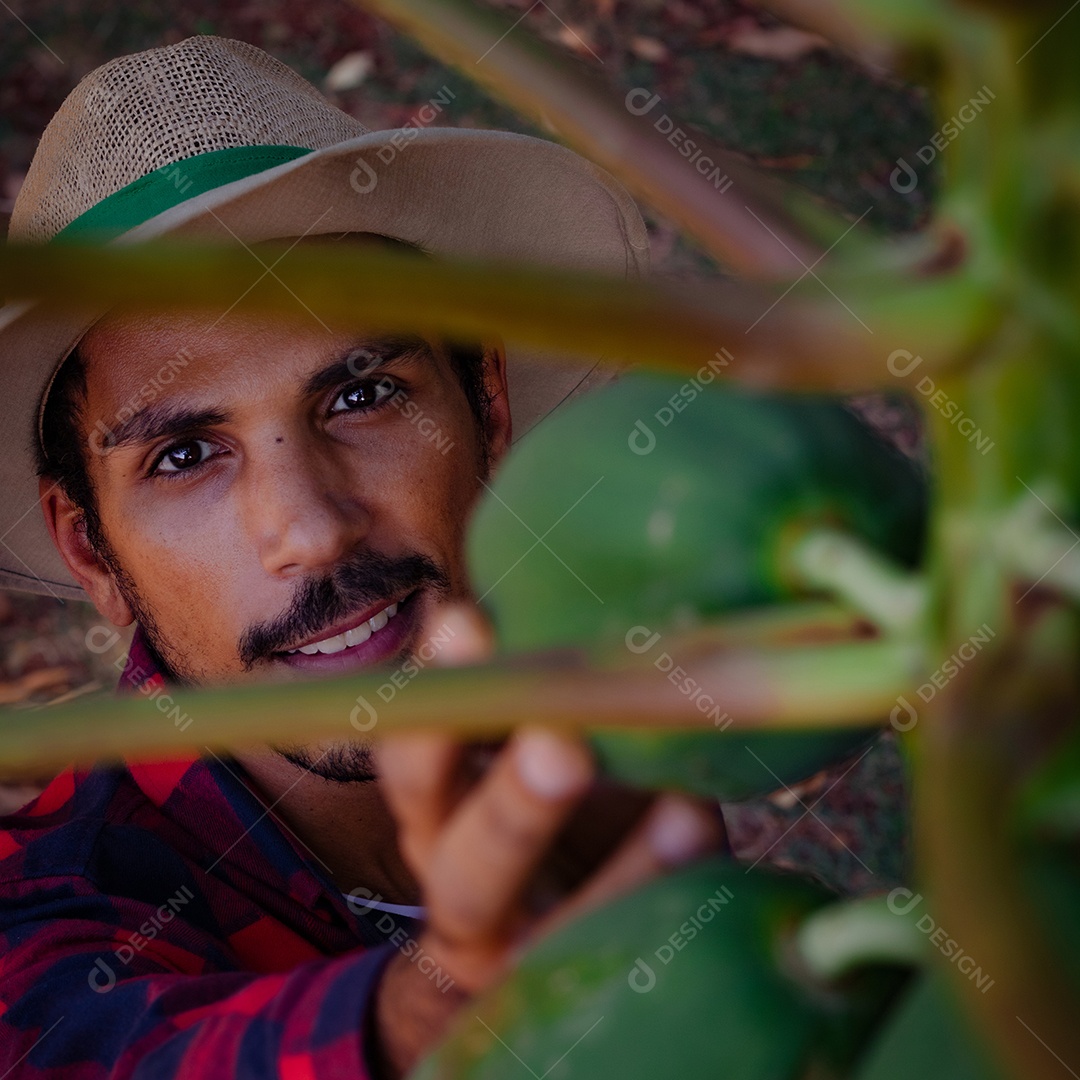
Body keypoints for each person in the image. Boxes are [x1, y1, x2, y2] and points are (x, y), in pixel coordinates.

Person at [0, 36, 725, 1078]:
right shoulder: (54, 885)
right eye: (187, 455)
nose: (313, 529)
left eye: (360, 395)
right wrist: (433, 1021)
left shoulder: (616, 708)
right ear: (93, 553)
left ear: (486, 408)